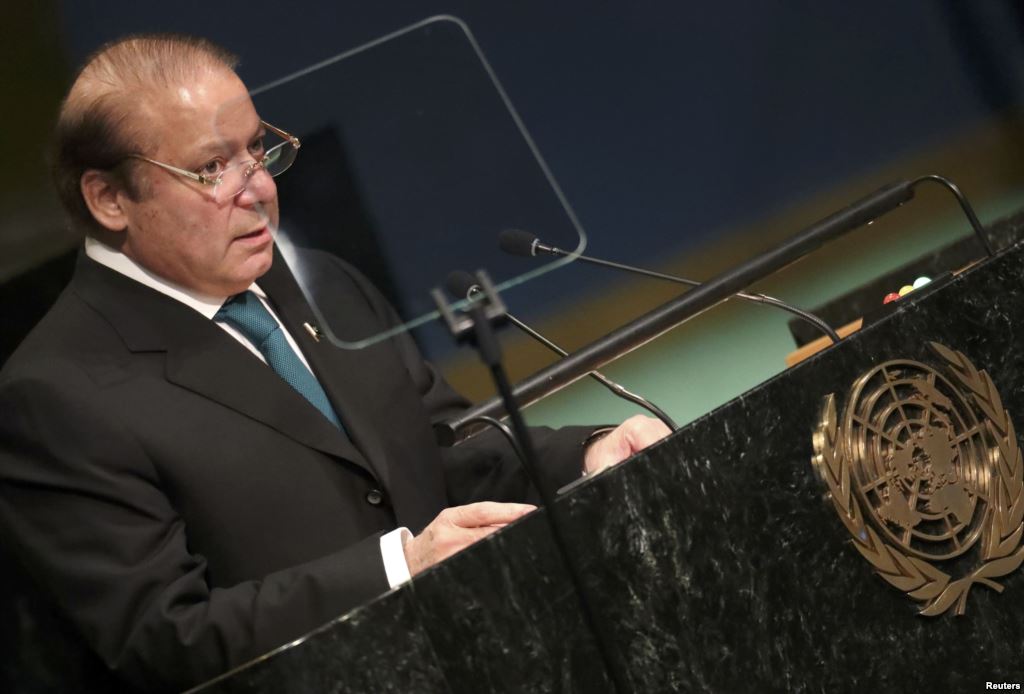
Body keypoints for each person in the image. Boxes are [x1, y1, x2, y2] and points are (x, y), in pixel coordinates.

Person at [0, 34, 669, 691]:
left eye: (257, 149)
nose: (257, 188)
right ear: (108, 199)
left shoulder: (322, 284)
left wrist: (588, 458)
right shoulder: (56, 394)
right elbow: (166, 636)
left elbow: (443, 454)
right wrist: (397, 566)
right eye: (210, 169)